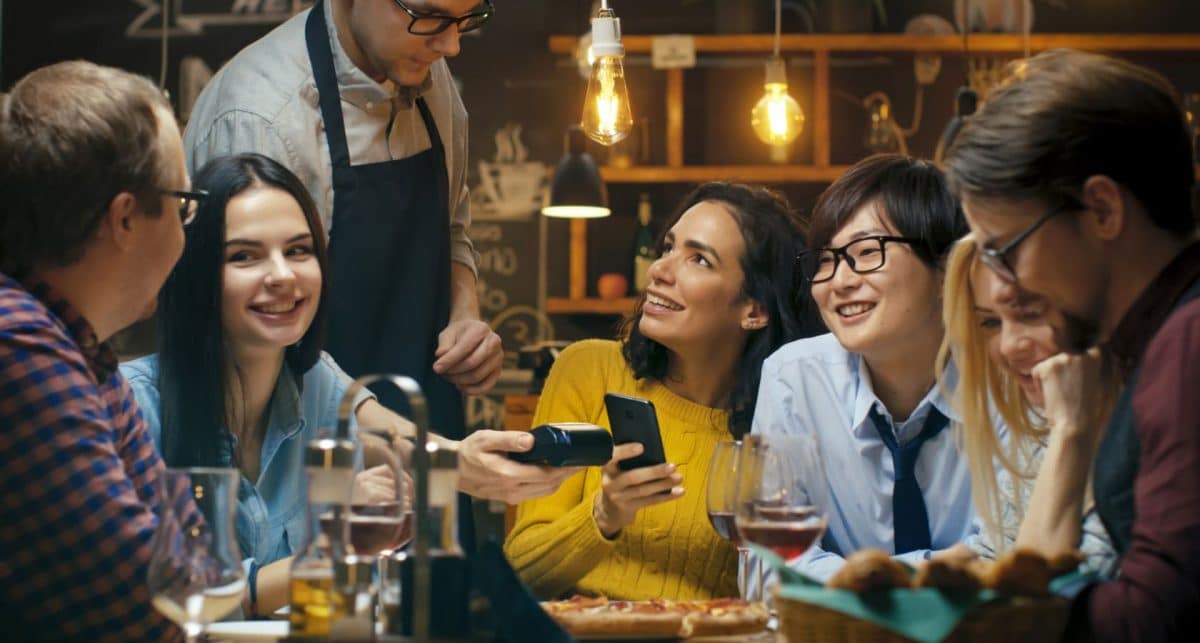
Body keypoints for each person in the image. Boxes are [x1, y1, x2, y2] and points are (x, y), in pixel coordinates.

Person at [183, 0, 504, 480]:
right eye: (430, 17)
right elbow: (250, 341)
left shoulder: (430, 81)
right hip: (302, 456)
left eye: (465, 21)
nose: (451, 45)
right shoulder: (260, 117)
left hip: (427, 429)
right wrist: (430, 458)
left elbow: (453, 227)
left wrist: (464, 315)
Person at [945, 48, 1200, 641]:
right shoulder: (1158, 344)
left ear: (1103, 210)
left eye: (1007, 250)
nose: (1008, 285)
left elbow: (1153, 620)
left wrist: (1005, 607)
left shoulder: (1185, 344)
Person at [505, 182, 817, 600]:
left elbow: (776, 594)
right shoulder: (588, 370)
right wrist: (604, 514)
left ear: (755, 310)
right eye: (668, 248)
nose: (660, 270)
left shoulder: (776, 426)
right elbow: (520, 574)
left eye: (699, 260)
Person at [121, 153, 390, 616]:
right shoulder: (131, 404)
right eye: (243, 256)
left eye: (299, 250)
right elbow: (150, 605)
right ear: (195, 274)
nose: (283, 276)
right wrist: (326, 552)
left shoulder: (323, 393)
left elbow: (339, 609)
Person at [0, 60, 196, 641]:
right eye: (184, 206)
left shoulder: (79, 345)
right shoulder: (18, 341)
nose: (189, 232)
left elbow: (194, 560)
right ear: (126, 219)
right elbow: (147, 608)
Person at [753, 154, 972, 581]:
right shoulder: (793, 379)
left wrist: (840, 577)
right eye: (826, 260)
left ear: (947, 267)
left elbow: (1019, 555)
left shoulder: (1008, 376)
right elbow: (768, 568)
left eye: (867, 252)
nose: (839, 280)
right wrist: (932, 574)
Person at [938, 237, 1117, 577]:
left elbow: (1041, 597)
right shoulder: (1037, 420)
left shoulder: (1156, 423)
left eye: (1031, 314)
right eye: (991, 323)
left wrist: (1069, 429)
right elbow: (995, 552)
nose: (1008, 346)